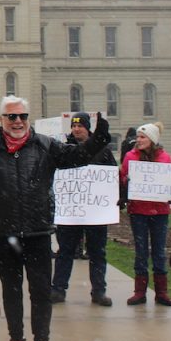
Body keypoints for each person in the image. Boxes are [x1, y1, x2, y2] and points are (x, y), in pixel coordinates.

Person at [0, 96, 109, 341]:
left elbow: (76, 156)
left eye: (22, 116)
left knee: (41, 292)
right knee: (11, 291)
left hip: (37, 233)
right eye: (12, 117)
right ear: (1, 120)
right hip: (4, 234)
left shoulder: (45, 145)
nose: (18, 121)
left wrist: (99, 137)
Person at [50, 112, 117, 307]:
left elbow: (112, 177)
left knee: (97, 252)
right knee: (65, 251)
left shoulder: (103, 151)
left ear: (88, 128)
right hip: (71, 212)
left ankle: (99, 291)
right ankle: (58, 289)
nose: (76, 129)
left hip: (95, 212)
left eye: (80, 126)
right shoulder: (64, 149)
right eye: (73, 126)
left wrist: (116, 196)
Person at [119, 121, 171, 307]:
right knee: (141, 251)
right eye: (138, 136)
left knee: (159, 251)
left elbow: (169, 182)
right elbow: (123, 179)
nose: (138, 140)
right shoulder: (130, 156)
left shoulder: (164, 158)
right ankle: (139, 291)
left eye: (142, 137)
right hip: (138, 211)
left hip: (159, 211)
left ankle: (162, 292)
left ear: (152, 139)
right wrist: (125, 180)